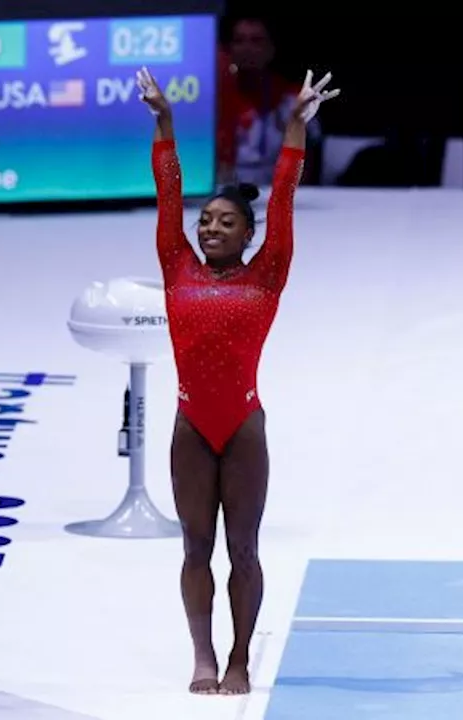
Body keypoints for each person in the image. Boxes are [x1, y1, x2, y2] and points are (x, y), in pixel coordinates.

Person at [137, 66, 338, 695]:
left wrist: (295, 129)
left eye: (226, 223)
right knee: (196, 548)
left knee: (243, 551)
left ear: (249, 236)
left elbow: (283, 198)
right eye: (207, 222)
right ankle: (203, 654)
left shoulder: (267, 274)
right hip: (191, 424)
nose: (210, 228)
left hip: (244, 426)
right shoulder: (177, 266)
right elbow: (168, 194)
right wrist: (165, 122)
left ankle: (241, 657)